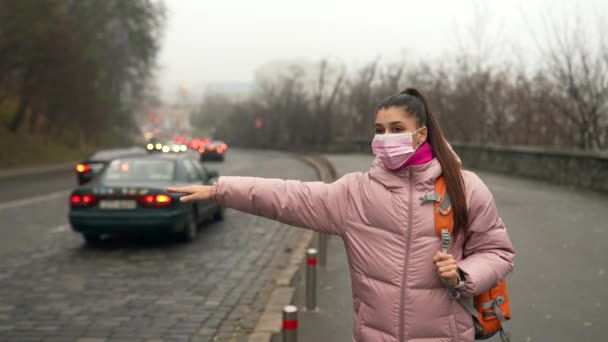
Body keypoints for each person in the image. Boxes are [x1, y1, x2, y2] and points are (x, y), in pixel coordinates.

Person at [167, 87, 515, 342]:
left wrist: (463, 274)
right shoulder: (355, 193)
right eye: (379, 130)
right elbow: (288, 196)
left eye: (397, 129)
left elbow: (498, 252)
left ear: (421, 134)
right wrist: (221, 190)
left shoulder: (464, 187)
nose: (385, 138)